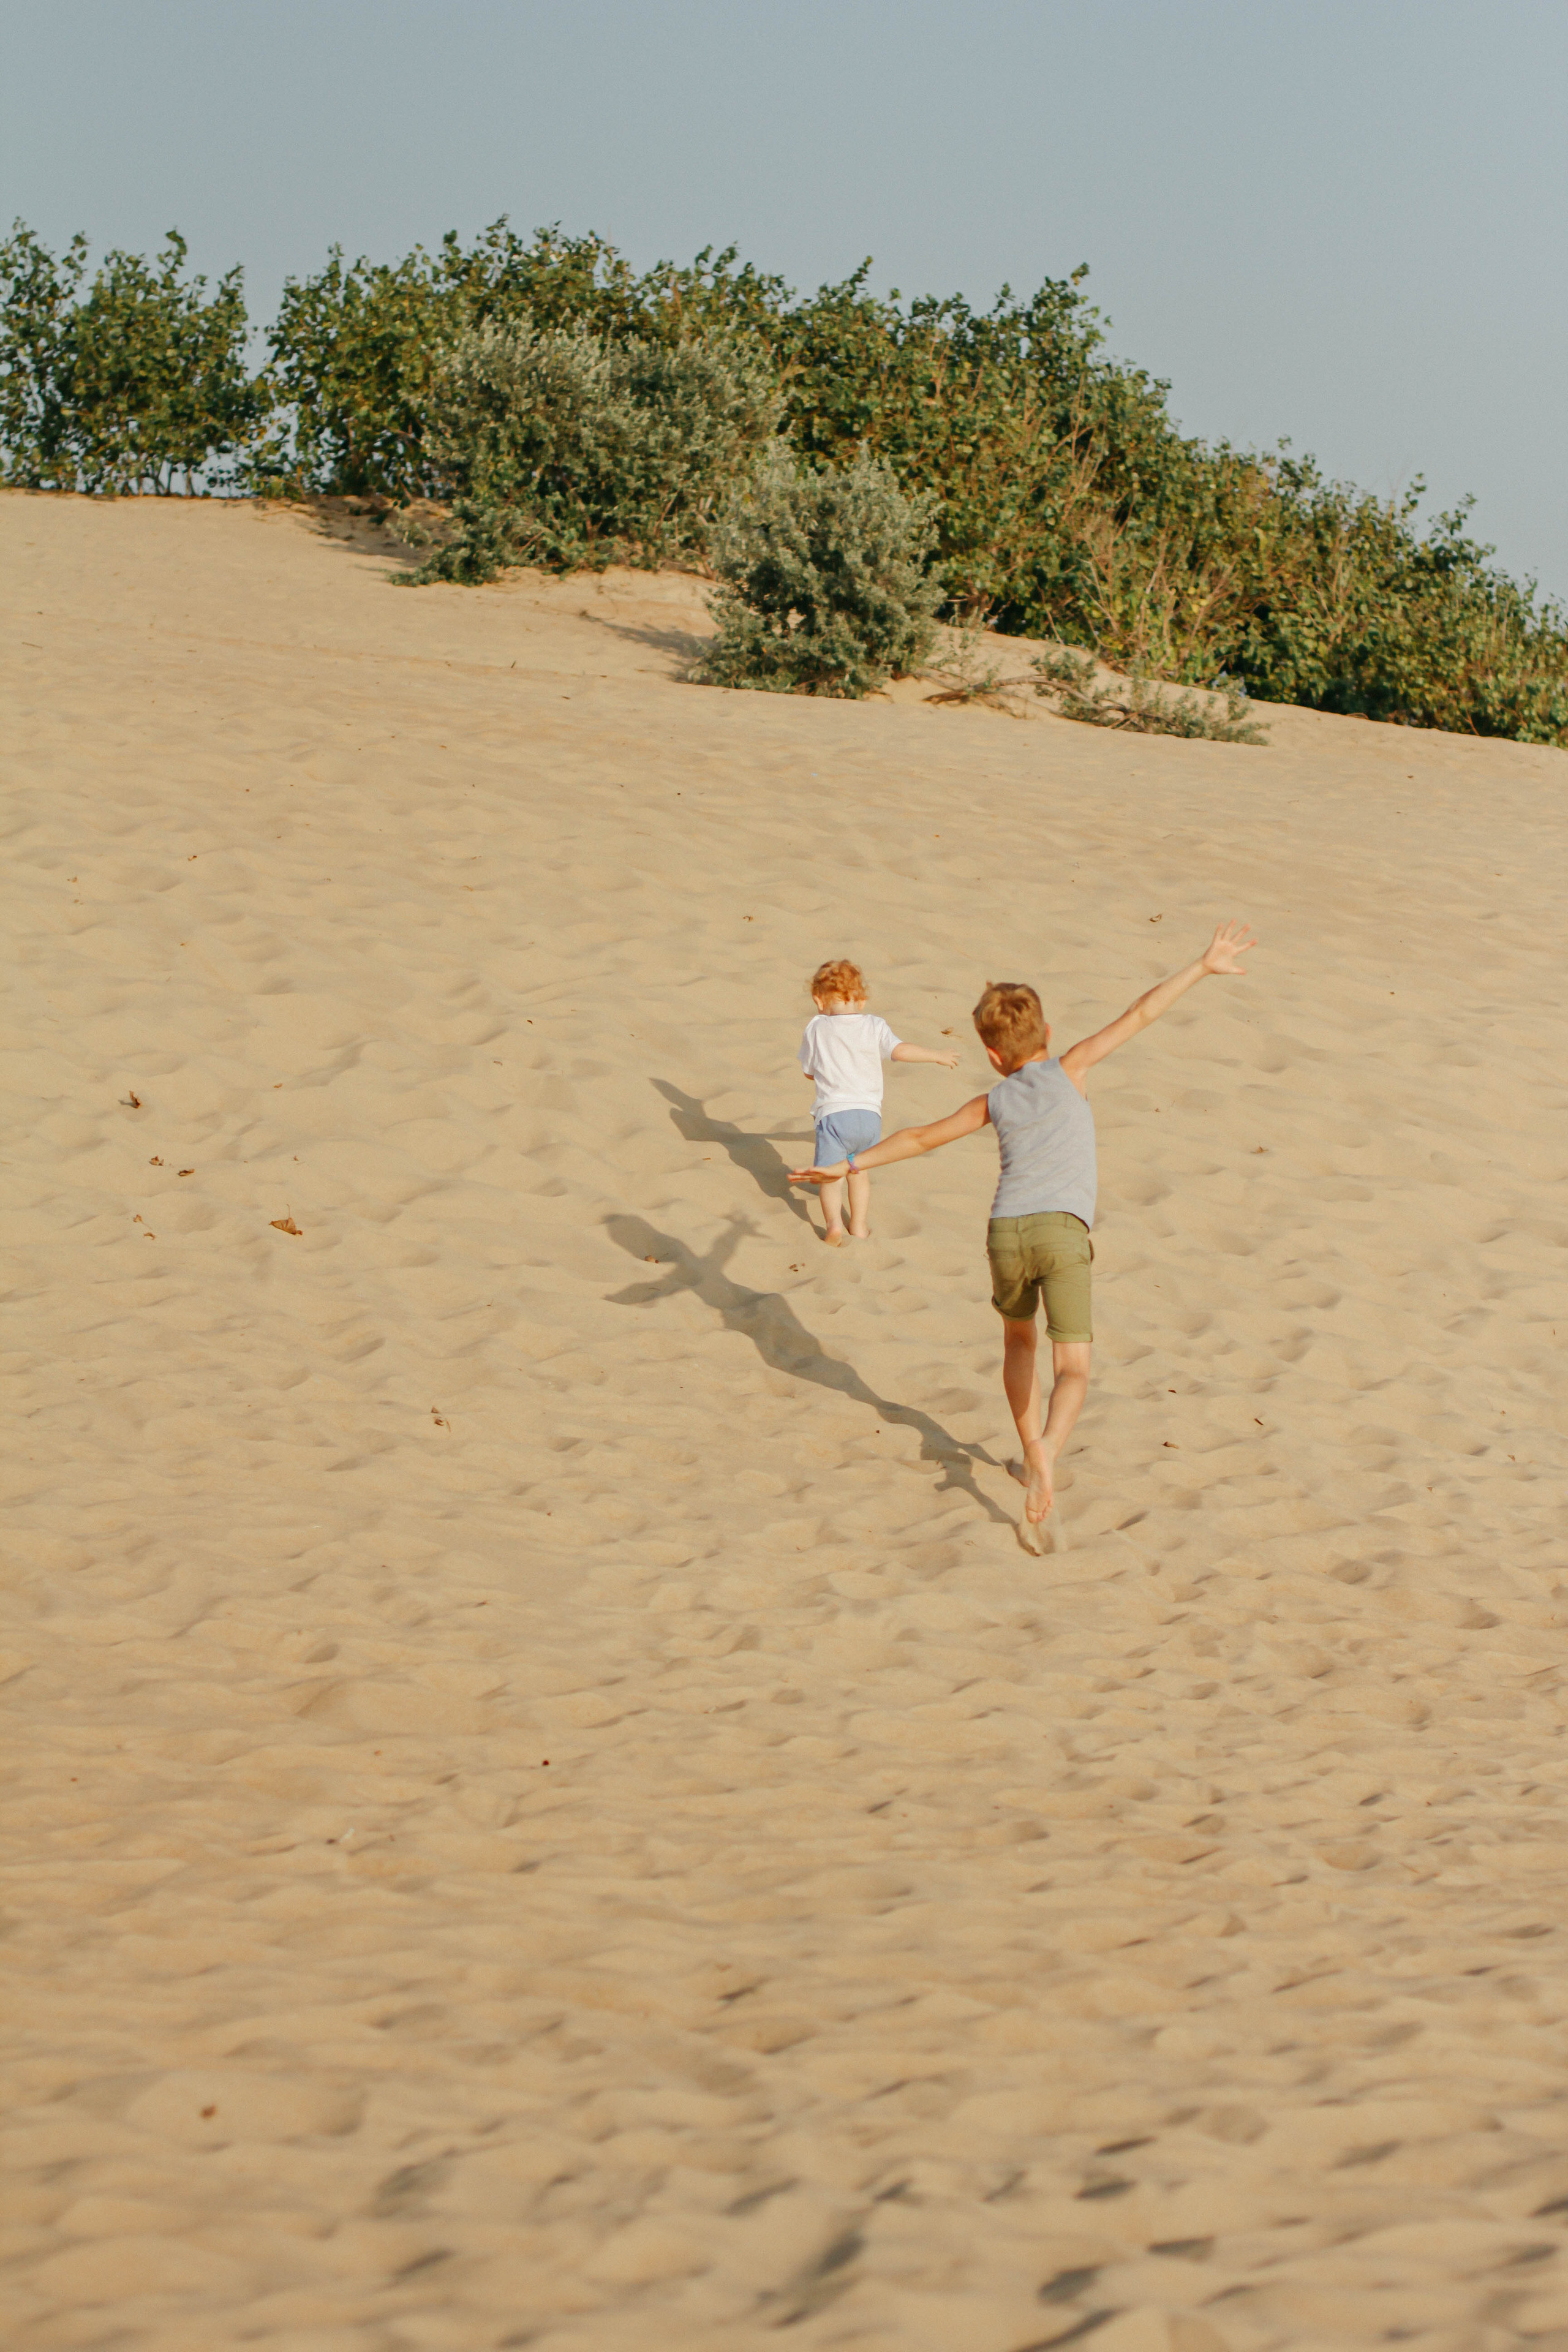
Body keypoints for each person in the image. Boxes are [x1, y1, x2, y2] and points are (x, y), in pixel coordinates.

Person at [791, 922, 1256, 1523]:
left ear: (991, 1056)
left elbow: (921, 1137)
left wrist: (846, 1165)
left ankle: (1028, 1448)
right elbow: (1140, 1014)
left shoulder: (991, 1100)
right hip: (1062, 1232)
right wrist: (1201, 965)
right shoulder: (1074, 1066)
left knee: (1018, 1341)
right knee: (1074, 1368)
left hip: (1004, 1232)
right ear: (1050, 1035)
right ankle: (1046, 1455)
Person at [798, 959, 960, 1246]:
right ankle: (859, 1225)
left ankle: (834, 1225)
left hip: (834, 1115)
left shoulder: (816, 1027)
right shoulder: (875, 1025)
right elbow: (899, 1051)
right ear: (861, 1001)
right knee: (859, 1171)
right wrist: (935, 1054)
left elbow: (809, 1071)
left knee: (830, 1176)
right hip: (869, 1118)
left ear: (818, 1001)